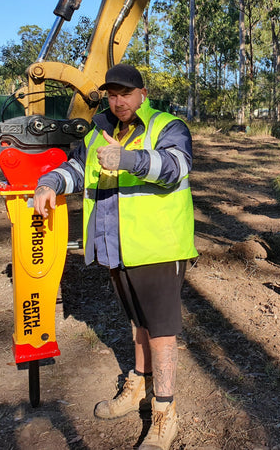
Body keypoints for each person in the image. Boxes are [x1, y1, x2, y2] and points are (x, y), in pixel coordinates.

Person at [34, 63, 197, 450]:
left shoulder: (167, 125)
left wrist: (127, 159)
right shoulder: (98, 130)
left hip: (157, 246)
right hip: (116, 246)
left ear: (142, 93)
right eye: (112, 94)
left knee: (161, 330)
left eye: (125, 93)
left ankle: (165, 413)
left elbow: (177, 167)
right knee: (137, 323)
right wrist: (49, 182)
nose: (118, 100)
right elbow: (77, 168)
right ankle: (137, 385)